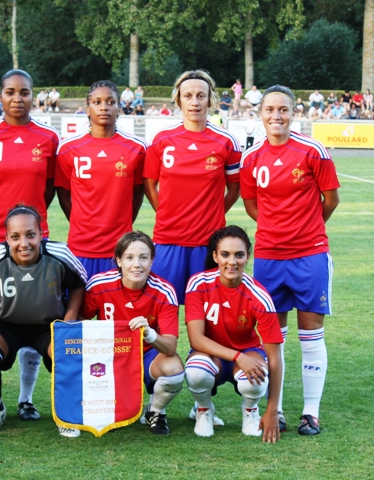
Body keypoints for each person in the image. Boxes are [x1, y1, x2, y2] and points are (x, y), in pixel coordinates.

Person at [240, 84, 340, 435]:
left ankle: (310, 413)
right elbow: (252, 206)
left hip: (310, 256)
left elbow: (331, 199)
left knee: (311, 334)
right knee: (273, 336)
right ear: (260, 113)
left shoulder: (313, 151)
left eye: (283, 109)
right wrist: (276, 230)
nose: (276, 116)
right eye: (270, 110)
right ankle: (277, 409)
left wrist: (307, 229)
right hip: (269, 258)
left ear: (294, 112)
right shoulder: (251, 159)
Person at [0, 69, 60, 422]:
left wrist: (30, 227)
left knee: (37, 312)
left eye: (24, 92)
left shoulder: (48, 138)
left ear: (33, 95)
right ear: (1, 95)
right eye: (10, 92)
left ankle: (26, 399)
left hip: (34, 239)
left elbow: (51, 188)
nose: (17, 98)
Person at [0, 205, 87, 437]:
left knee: (70, 354)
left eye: (30, 234)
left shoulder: (59, 255)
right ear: (6, 238)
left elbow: (79, 283)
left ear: (41, 234)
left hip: (48, 326)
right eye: (15, 237)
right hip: (4, 326)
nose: (24, 243)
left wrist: (69, 321)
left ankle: (66, 413)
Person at [143, 69, 241, 305]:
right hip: (168, 240)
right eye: (188, 96)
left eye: (200, 95)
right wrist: (165, 211)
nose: (194, 102)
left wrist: (213, 213)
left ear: (210, 99)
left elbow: (235, 190)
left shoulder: (226, 142)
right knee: (161, 308)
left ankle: (198, 345)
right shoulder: (162, 140)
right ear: (178, 100)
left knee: (207, 312)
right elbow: (149, 184)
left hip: (208, 242)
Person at [184, 225, 283, 443]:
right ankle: (203, 409)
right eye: (225, 255)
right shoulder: (198, 284)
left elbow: (275, 358)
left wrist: (273, 410)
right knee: (196, 372)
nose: (232, 262)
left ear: (248, 256)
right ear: (215, 256)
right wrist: (238, 357)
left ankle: (251, 410)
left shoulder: (259, 295)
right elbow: (196, 339)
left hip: (248, 352)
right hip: (212, 354)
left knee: (257, 376)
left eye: (239, 255)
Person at [81, 231, 183, 435]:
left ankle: (155, 410)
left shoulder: (164, 291)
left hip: (146, 354)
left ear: (152, 260)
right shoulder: (99, 285)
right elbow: (79, 322)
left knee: (174, 370)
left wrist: (149, 334)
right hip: (110, 355)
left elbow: (170, 347)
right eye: (129, 257)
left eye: (143, 257)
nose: (137, 264)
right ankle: (100, 402)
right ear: (118, 260)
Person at [56, 80, 146, 279]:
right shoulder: (68, 148)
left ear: (119, 108)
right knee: (79, 308)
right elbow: (63, 194)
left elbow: (138, 194)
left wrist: (123, 222)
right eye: (97, 102)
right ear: (87, 108)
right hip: (80, 246)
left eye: (111, 102)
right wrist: (80, 223)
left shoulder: (136, 148)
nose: (104, 107)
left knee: (116, 309)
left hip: (119, 248)